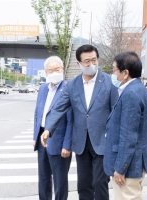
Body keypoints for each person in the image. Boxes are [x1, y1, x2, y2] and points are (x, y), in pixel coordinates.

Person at [41, 45, 118, 200]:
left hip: (102, 141)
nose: (91, 64)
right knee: (83, 185)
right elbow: (58, 109)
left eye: (94, 60)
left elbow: (116, 112)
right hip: (81, 142)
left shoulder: (109, 82)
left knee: (100, 182)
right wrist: (48, 129)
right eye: (87, 61)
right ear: (79, 64)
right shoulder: (72, 85)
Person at [104, 51, 147, 200]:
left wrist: (120, 168)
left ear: (125, 73)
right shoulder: (140, 89)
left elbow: (128, 136)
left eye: (114, 70)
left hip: (129, 166)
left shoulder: (131, 93)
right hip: (136, 161)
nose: (113, 74)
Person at [33, 56, 73, 200]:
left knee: (60, 181)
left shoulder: (68, 89)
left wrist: (67, 145)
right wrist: (35, 136)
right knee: (43, 178)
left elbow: (71, 120)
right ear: (46, 72)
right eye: (51, 70)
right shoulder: (43, 89)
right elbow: (38, 113)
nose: (54, 72)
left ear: (63, 69)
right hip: (42, 138)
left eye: (57, 69)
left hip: (59, 141)